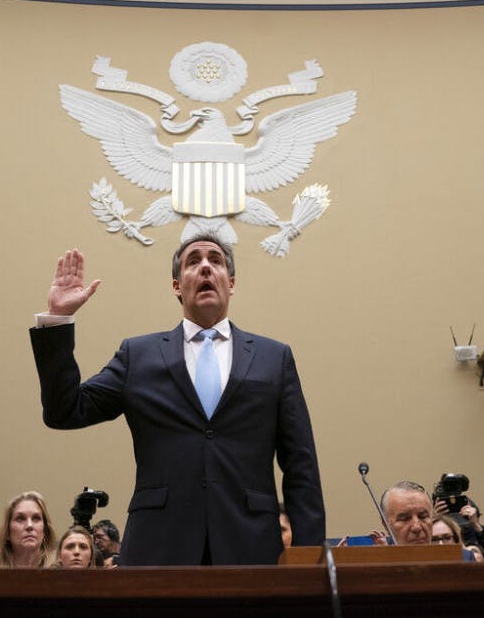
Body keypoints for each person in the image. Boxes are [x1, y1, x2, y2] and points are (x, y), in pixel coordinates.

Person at [30, 236, 325, 566]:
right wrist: (58, 318)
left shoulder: (274, 358)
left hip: (250, 546)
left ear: (231, 283)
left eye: (215, 260)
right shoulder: (138, 357)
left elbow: (301, 466)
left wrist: (309, 556)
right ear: (176, 286)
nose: (205, 267)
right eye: (193, 261)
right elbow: (65, 411)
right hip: (158, 547)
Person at [0, 491, 58, 568]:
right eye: (20, 518)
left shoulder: (59, 576)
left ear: (45, 531)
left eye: (36, 518)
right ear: (7, 532)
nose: (29, 525)